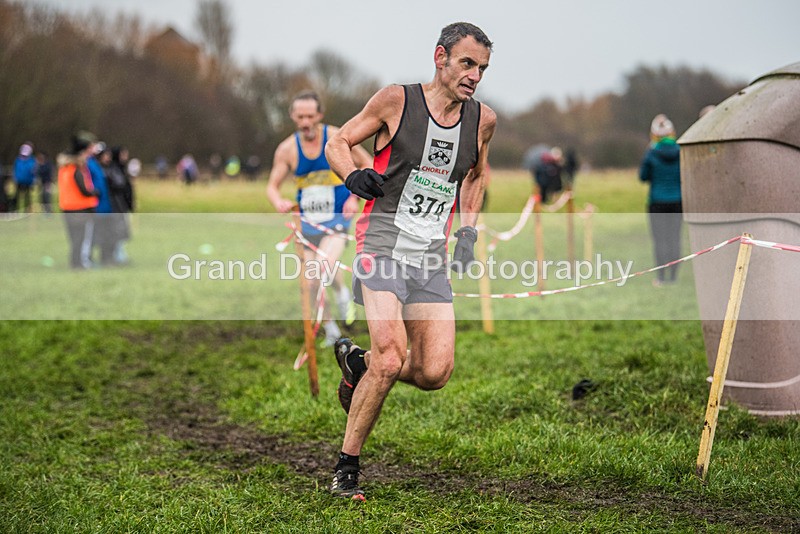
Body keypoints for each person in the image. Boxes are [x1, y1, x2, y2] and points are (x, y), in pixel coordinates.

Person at [323, 21, 496, 500]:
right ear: (440, 57)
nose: (474, 76)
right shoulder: (396, 101)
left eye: (481, 68)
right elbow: (338, 141)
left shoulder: (482, 120)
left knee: (434, 371)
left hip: (429, 256)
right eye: (466, 63)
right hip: (380, 245)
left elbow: (476, 175)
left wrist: (467, 231)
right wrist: (353, 177)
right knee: (393, 355)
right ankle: (347, 467)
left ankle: (357, 364)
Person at [267, 90, 373, 345]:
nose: (305, 122)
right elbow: (272, 185)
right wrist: (279, 201)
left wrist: (353, 197)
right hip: (307, 223)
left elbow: (367, 163)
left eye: (310, 116)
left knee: (323, 266)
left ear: (319, 115)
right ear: (293, 116)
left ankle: (341, 294)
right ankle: (331, 327)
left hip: (337, 218)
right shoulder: (287, 149)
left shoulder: (338, 138)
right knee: (311, 281)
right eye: (300, 116)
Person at [639, 114, 682, 285]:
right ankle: (673, 276)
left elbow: (643, 176)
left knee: (660, 240)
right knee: (674, 238)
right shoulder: (681, 152)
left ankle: (661, 276)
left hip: (657, 201)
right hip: (677, 201)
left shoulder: (651, 153)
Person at [57, 132, 100, 269]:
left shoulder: (64, 169)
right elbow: (84, 189)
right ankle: (80, 263)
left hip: (67, 207)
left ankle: (75, 263)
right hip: (81, 208)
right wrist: (95, 192)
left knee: (74, 239)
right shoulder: (76, 170)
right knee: (81, 239)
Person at [13, 142, 37, 213]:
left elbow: (33, 171)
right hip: (19, 181)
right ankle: (15, 210)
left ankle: (27, 211)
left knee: (27, 197)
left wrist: (33, 180)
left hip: (28, 182)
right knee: (17, 197)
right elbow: (15, 170)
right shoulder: (18, 160)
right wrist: (15, 178)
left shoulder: (32, 161)